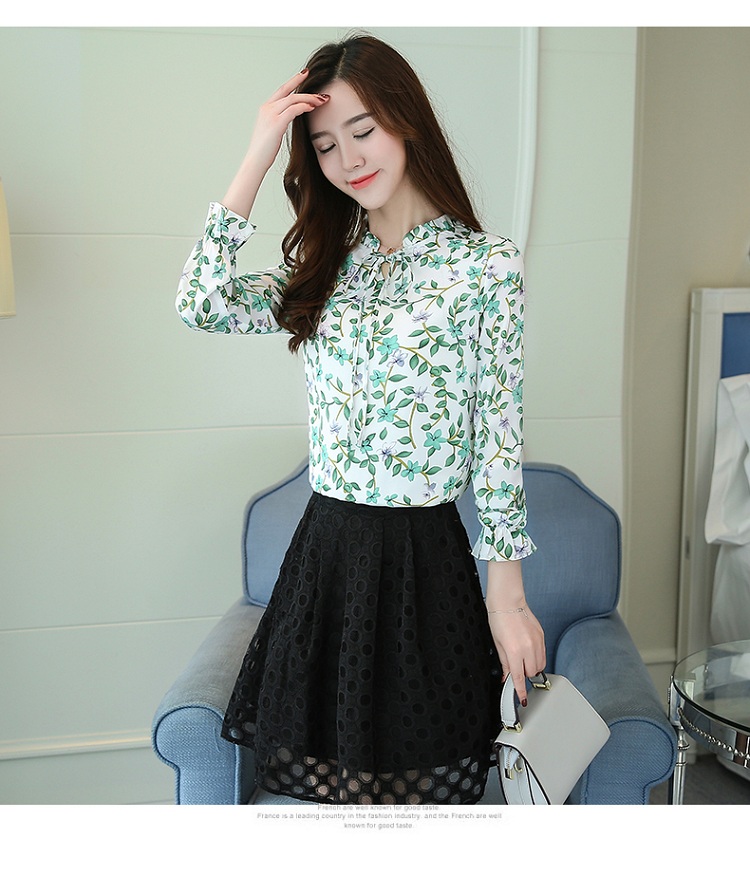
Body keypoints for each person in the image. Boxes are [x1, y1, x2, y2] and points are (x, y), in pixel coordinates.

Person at [176, 33, 546, 806]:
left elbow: (499, 437)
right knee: (330, 808)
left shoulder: (486, 265)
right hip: (327, 558)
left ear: (405, 120)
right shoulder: (325, 264)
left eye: (363, 130)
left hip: (423, 565)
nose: (348, 159)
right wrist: (259, 148)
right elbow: (201, 303)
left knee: (416, 807)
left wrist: (507, 598)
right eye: (324, 145)